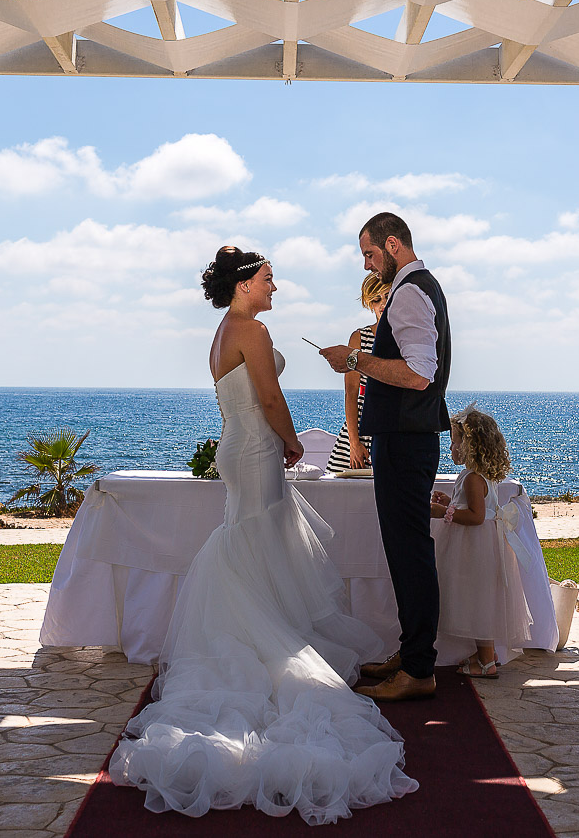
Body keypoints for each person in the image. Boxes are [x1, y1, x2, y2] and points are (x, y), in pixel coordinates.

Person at [110, 246, 418, 825]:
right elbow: (269, 397)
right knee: (258, 541)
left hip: (243, 449)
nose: (275, 287)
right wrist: (294, 440)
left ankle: (265, 630)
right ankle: (265, 644)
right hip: (255, 452)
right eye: (269, 278)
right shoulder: (248, 329)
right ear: (245, 283)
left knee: (257, 543)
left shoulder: (226, 328)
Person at [320, 212, 451, 702]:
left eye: (370, 254)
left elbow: (418, 373)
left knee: (410, 552)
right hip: (405, 437)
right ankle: (412, 652)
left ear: (393, 244)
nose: (369, 266)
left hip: (404, 438)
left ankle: (418, 668)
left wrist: (353, 360)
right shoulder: (416, 287)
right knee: (405, 550)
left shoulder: (411, 290)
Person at [429, 405, 533, 679]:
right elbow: (477, 508)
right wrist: (450, 501)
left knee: (477, 600)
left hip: (474, 546)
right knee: (476, 598)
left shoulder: (474, 478)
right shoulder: (474, 475)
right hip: (476, 543)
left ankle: (487, 662)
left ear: (470, 445)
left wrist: (445, 513)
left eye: (455, 441)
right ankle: (485, 654)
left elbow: (476, 516)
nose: (451, 447)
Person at [326, 273, 389, 472]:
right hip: (358, 429)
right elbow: (351, 392)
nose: (382, 304)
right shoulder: (359, 337)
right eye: (376, 300)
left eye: (387, 297)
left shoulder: (406, 338)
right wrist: (354, 443)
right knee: (340, 493)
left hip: (390, 428)